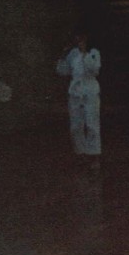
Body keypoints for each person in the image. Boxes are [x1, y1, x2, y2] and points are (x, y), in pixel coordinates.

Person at [57, 25, 102, 169]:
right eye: (77, 37)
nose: (79, 40)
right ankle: (80, 154)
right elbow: (63, 71)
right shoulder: (72, 54)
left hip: (90, 92)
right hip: (75, 93)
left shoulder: (94, 53)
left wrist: (84, 54)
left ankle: (94, 156)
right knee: (76, 125)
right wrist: (63, 56)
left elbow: (94, 70)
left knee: (92, 124)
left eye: (82, 37)